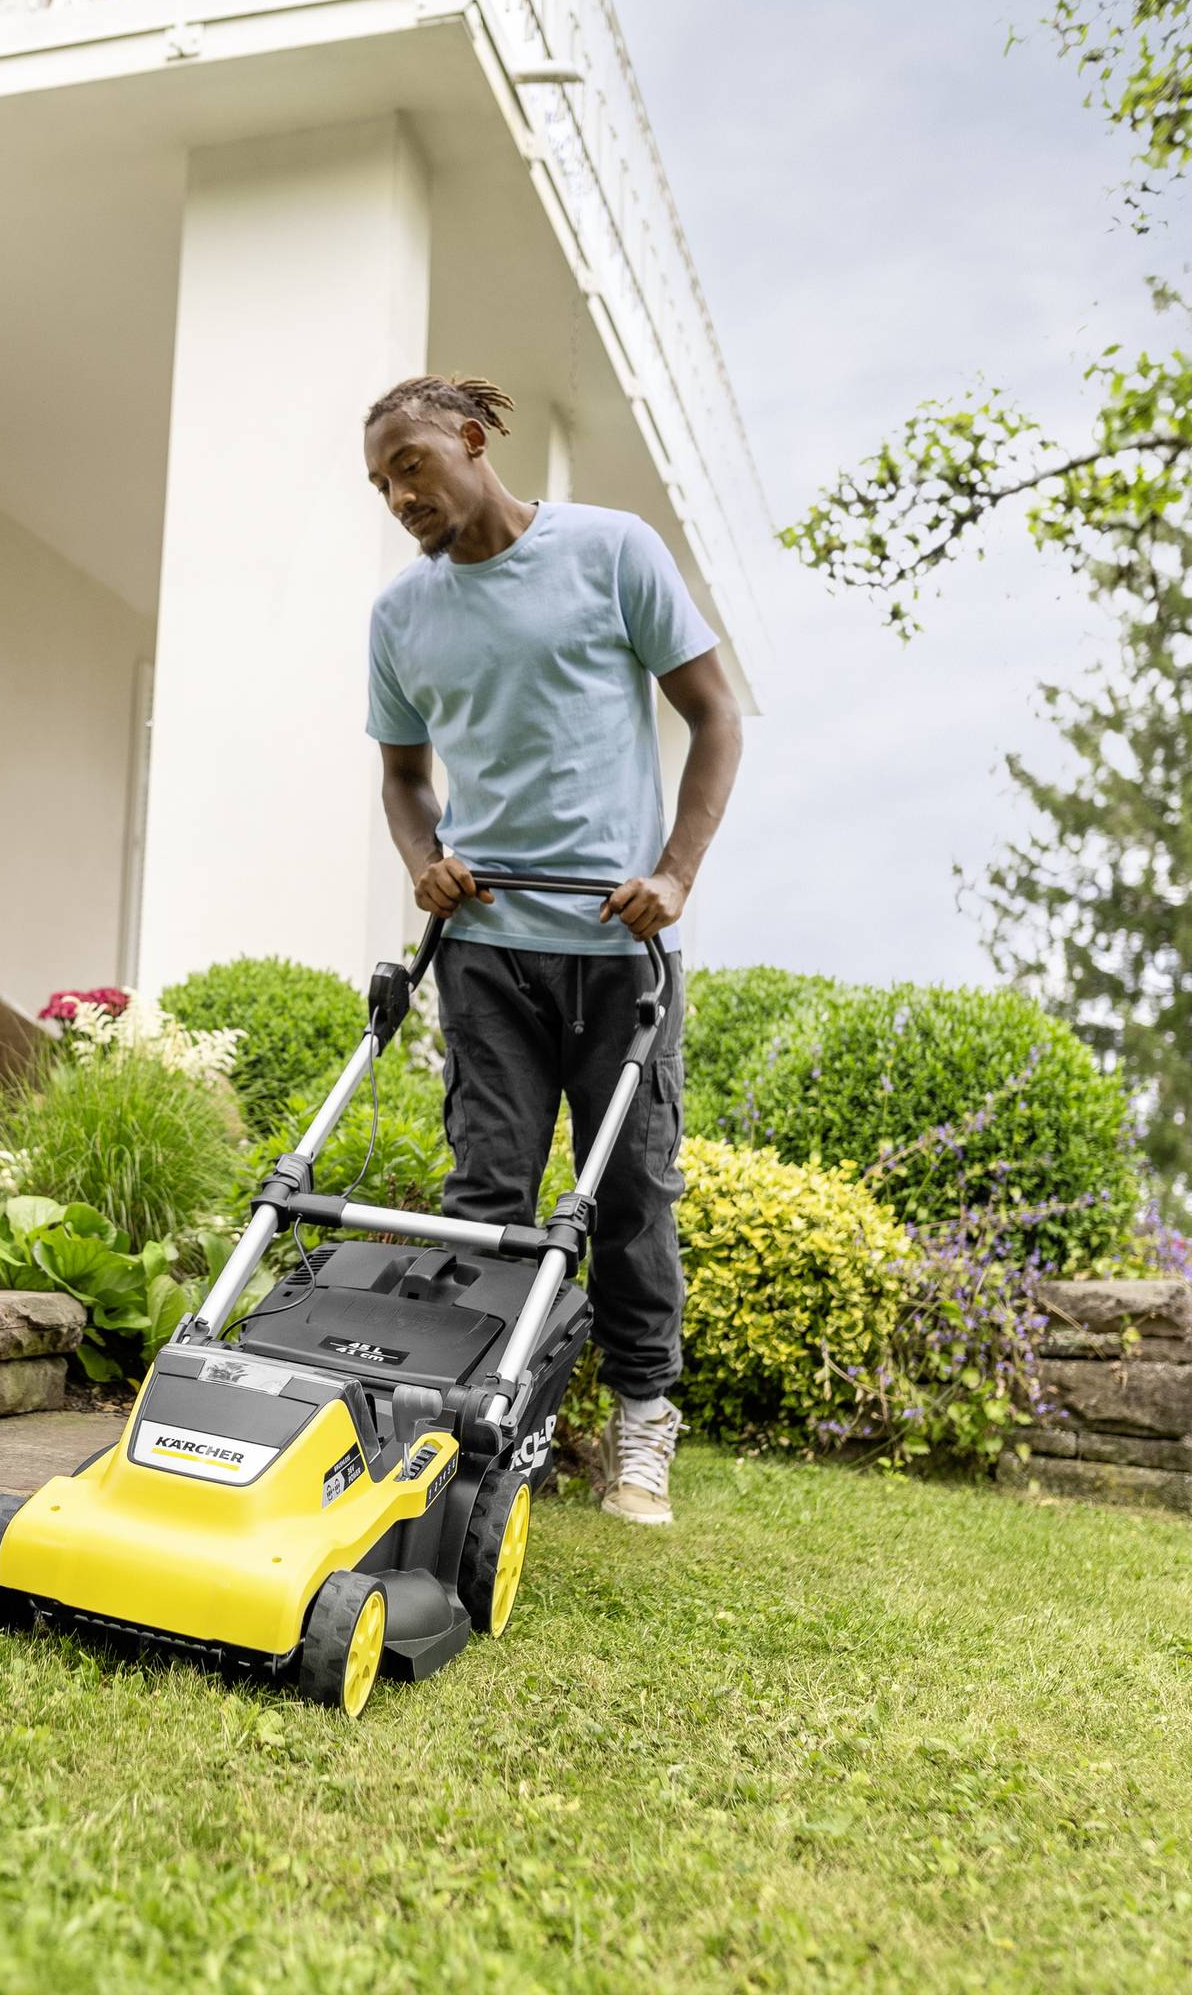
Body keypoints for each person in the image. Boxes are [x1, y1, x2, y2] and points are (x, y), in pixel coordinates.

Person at [361, 374, 744, 1526]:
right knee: (485, 1193)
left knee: (628, 1194)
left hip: (616, 946)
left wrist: (674, 872)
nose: (398, 494)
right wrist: (423, 860)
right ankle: (473, 1417)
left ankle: (642, 1419)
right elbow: (403, 777)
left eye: (412, 464)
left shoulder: (612, 550)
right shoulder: (400, 615)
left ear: (472, 442)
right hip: (483, 948)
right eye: (381, 483)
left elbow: (717, 713)